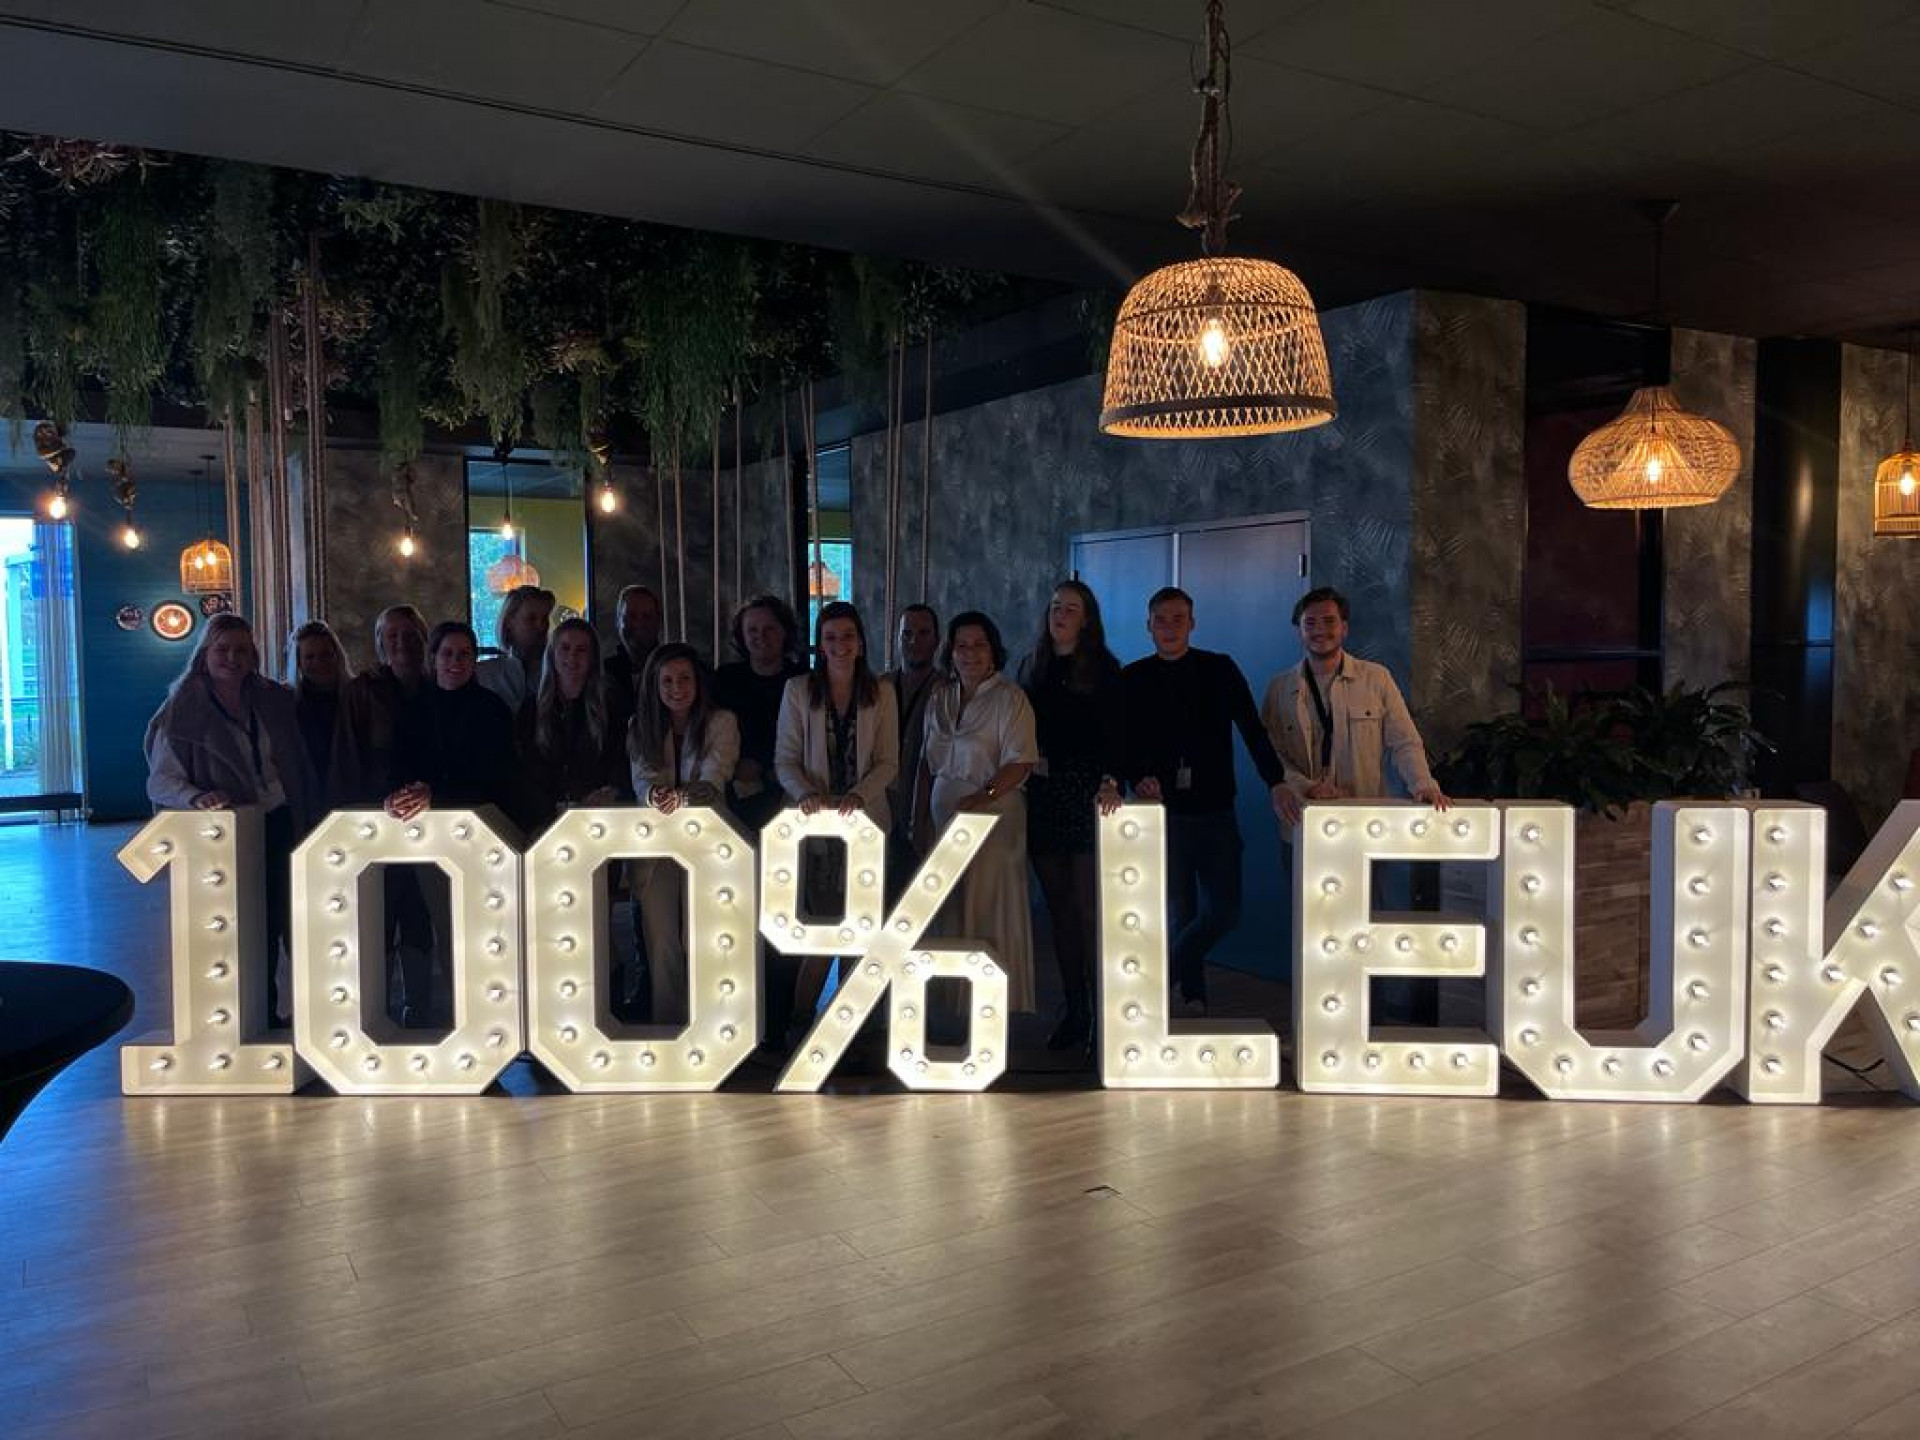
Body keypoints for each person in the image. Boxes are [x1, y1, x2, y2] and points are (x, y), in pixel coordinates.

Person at [1101, 586, 1291, 1018]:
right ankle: (1193, 996)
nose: (1169, 627)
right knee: (1180, 910)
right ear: (1148, 625)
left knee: (1224, 911)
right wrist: (1132, 778)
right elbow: (1119, 743)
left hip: (1216, 811)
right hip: (1162, 815)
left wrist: (1275, 781)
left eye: (1178, 619)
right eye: (1161, 620)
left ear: (1193, 623)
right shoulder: (1133, 678)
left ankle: (1161, 976)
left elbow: (1252, 729)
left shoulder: (1219, 669)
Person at [144, 613, 314, 1029]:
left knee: (296, 917)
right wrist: (195, 797)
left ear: (253, 655)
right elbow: (160, 781)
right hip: (231, 835)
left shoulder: (274, 700)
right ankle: (259, 1016)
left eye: (241, 650)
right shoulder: (181, 711)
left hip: (282, 820)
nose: (232, 658)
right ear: (204, 654)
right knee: (251, 925)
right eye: (222, 649)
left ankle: (311, 1013)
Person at [385, 620, 519, 1027]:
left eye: (464, 654)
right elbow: (398, 765)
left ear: (474, 659)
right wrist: (398, 795)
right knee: (447, 927)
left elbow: (497, 777)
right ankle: (464, 1018)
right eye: (447, 654)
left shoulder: (492, 709)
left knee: (487, 929)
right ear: (433, 658)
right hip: (430, 835)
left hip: (484, 835)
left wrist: (436, 794)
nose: (455, 662)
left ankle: (491, 1015)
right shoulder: (412, 710)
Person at [774, 601, 900, 1033]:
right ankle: (801, 1023)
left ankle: (849, 1031)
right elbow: (785, 759)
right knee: (824, 929)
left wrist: (859, 796)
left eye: (847, 636)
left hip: (866, 826)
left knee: (861, 933)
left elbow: (888, 762)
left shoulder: (881, 692)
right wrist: (807, 794)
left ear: (860, 642)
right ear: (819, 644)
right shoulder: (798, 690)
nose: (839, 645)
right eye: (830, 637)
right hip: (816, 830)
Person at [914, 611, 1040, 1014]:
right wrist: (917, 818)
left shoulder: (1010, 698)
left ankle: (992, 1005)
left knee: (987, 906)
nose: (970, 653)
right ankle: (956, 1001)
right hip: (944, 818)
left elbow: (1021, 762)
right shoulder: (940, 698)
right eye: (961, 645)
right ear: (950, 652)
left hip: (993, 818)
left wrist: (981, 797)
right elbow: (926, 763)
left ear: (993, 650)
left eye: (979, 645)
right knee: (952, 905)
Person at [1018, 580, 1122, 1052]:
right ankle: (1075, 1008)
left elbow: (1117, 735)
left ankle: (1104, 1010)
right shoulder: (1031, 666)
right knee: (1058, 907)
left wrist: (1112, 778)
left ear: (1087, 618)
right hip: (1043, 793)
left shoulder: (1104, 669)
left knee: (1087, 907)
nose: (1060, 614)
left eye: (1071, 608)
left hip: (1086, 792)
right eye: (1055, 606)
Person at [1261, 586, 1450, 812]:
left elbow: (1404, 741)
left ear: (1344, 628)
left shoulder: (1377, 678)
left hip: (1364, 814)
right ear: (1299, 632)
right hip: (1303, 813)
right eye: (1310, 623)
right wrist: (1306, 787)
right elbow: (1272, 753)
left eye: (1329, 621)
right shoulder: (1279, 688)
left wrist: (1423, 785)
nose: (1319, 630)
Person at [629, 642, 740, 1025]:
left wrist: (683, 797)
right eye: (667, 681)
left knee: (704, 938)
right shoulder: (639, 727)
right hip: (657, 847)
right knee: (662, 940)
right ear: (654, 685)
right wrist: (654, 795)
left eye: (685, 679)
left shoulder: (721, 722)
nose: (677, 688)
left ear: (698, 682)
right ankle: (670, 1028)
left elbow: (716, 777)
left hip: (707, 843)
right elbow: (642, 779)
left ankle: (712, 1025)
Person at [517, 617, 625, 831]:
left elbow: (620, 760)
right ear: (552, 654)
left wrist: (610, 791)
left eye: (581, 650)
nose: (572, 657)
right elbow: (525, 770)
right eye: (565, 648)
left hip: (598, 818)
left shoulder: (612, 703)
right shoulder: (531, 709)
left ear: (593, 657)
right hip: (543, 821)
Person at [712, 594, 807, 832]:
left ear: (785, 632)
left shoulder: (804, 681)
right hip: (735, 797)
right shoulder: (724, 680)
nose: (761, 636)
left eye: (770, 629)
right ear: (742, 636)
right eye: (752, 630)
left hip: (795, 795)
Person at [340, 605, 431, 804]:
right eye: (392, 636)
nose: (402, 643)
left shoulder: (439, 688)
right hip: (376, 804)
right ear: (381, 643)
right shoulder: (361, 691)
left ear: (423, 639)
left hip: (435, 804)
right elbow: (348, 757)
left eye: (410, 634)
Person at [883, 603, 940, 892]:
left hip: (924, 810)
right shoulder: (877, 687)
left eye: (923, 633)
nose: (914, 641)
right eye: (906, 634)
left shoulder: (948, 690)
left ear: (937, 640)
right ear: (897, 638)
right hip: (880, 805)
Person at [289, 620, 361, 812]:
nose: (319, 663)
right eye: (309, 657)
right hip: (307, 801)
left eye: (325, 655)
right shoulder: (289, 705)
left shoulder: (358, 698)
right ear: (299, 663)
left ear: (337, 656)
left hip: (353, 800)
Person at [476, 583, 555, 718]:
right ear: (509, 622)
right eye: (531, 618)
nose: (541, 626)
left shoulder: (558, 670)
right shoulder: (486, 674)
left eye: (545, 618)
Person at [604, 583, 663, 738]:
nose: (638, 624)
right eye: (630, 616)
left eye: (647, 616)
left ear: (658, 622)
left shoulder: (675, 669)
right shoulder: (602, 675)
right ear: (618, 622)